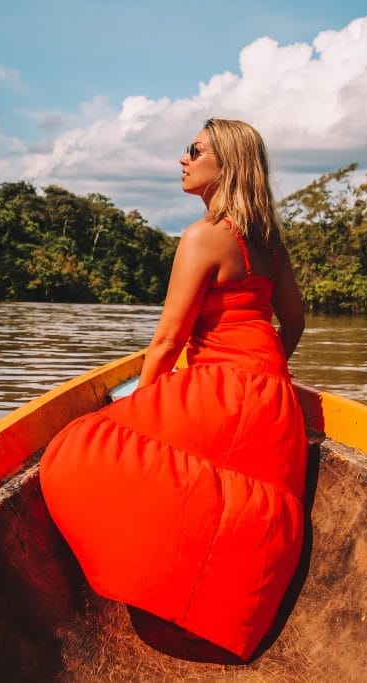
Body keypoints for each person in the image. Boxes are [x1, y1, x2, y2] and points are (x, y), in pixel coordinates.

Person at [39, 118, 307, 661]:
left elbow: (165, 344)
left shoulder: (203, 237)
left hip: (222, 391)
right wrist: (267, 373)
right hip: (273, 398)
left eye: (194, 149)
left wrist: (145, 402)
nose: (183, 159)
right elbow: (294, 322)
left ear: (226, 164)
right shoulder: (271, 246)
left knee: (73, 450)